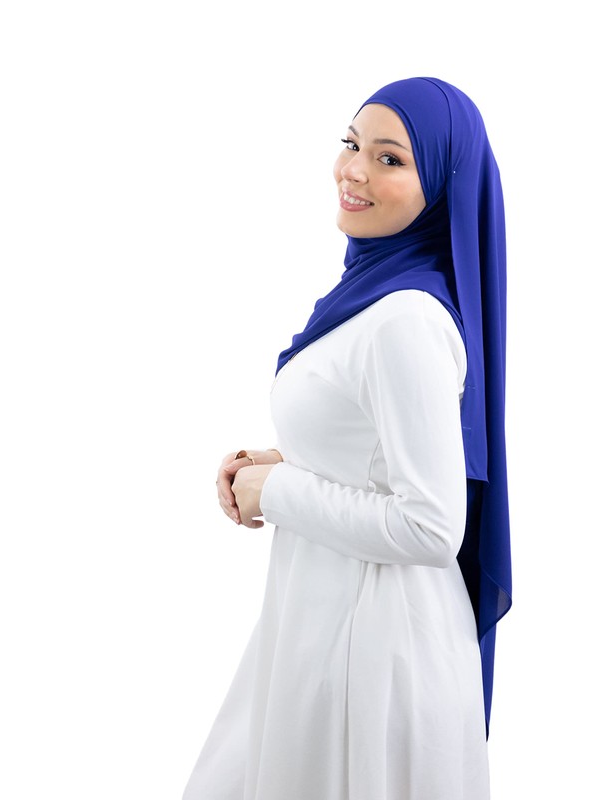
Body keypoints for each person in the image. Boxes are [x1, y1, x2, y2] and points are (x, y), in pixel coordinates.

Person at [182, 77, 512, 800]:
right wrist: (289, 463)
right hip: (328, 626)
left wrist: (279, 489)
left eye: (390, 158)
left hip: (373, 654)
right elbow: (379, 458)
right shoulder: (376, 296)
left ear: (442, 186)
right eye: (351, 144)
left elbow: (431, 526)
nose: (354, 170)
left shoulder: (406, 320)